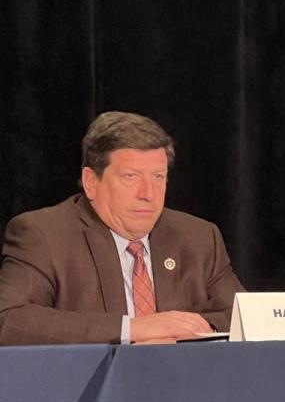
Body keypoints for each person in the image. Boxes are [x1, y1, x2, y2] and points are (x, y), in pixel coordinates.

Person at [0, 111, 244, 346]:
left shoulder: (199, 238)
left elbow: (244, 316)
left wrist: (196, 328)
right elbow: (8, 320)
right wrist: (132, 329)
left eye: (158, 177)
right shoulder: (44, 235)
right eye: (131, 177)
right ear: (91, 183)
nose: (148, 194)